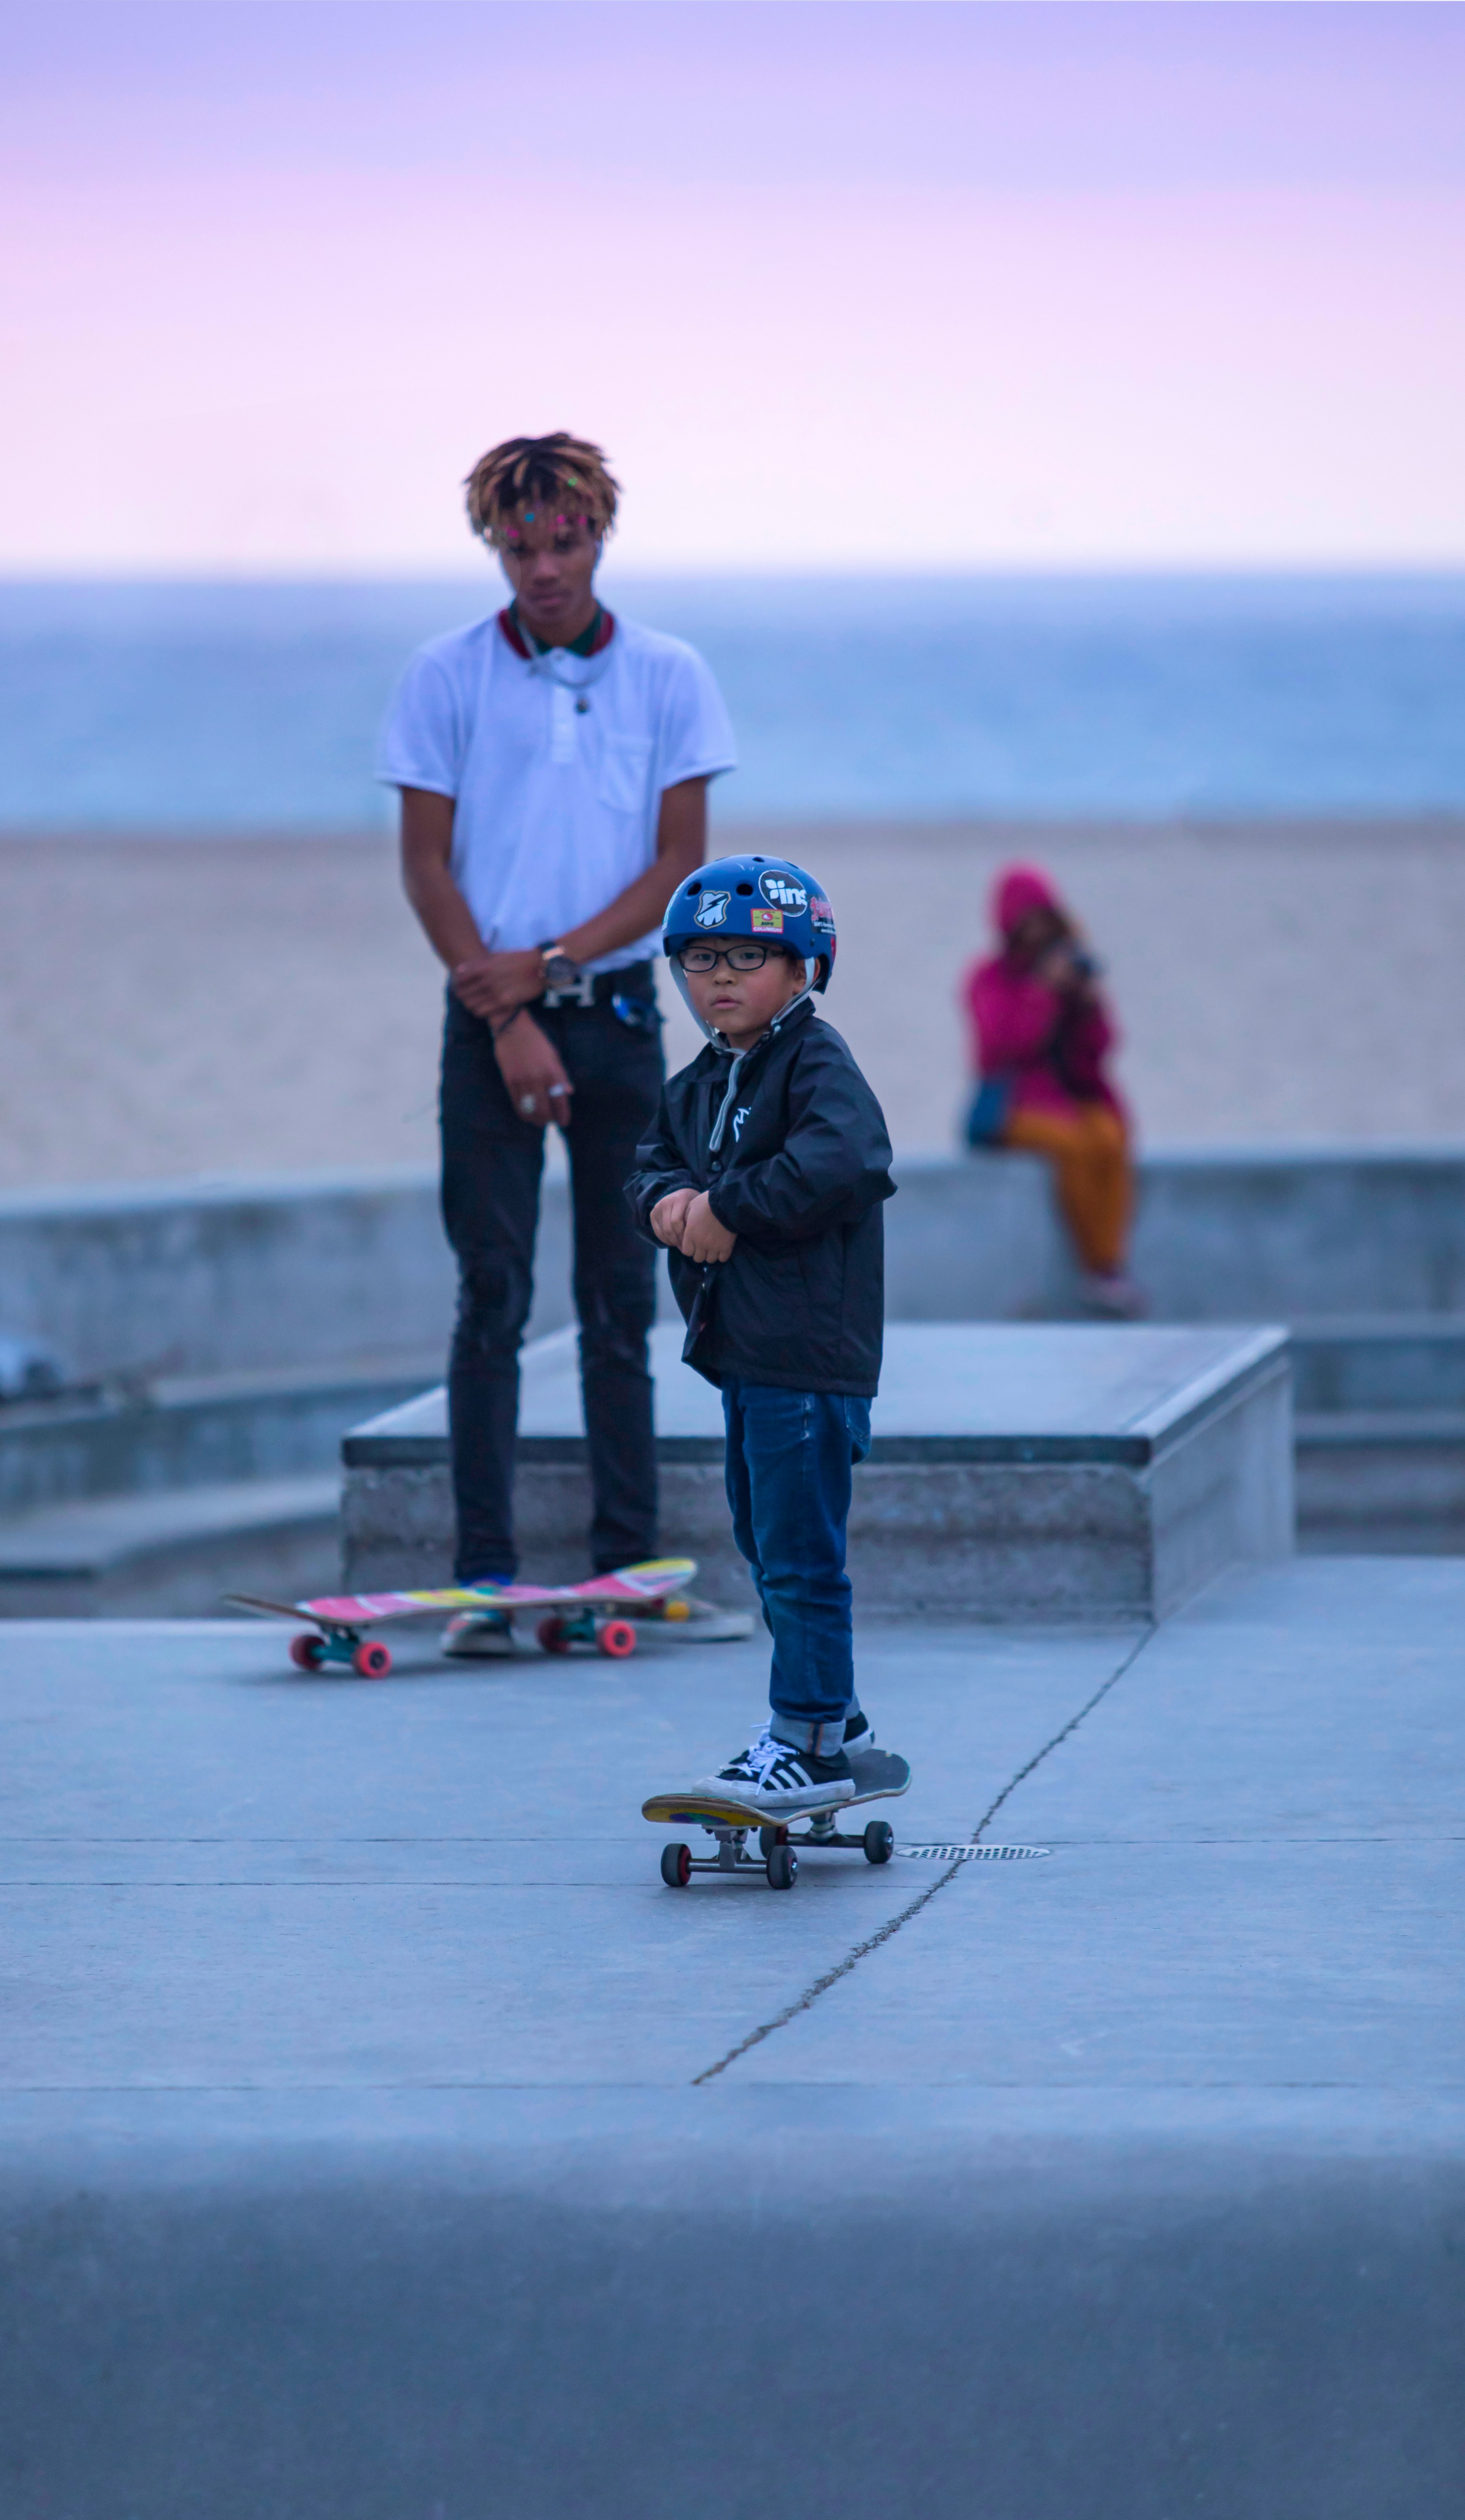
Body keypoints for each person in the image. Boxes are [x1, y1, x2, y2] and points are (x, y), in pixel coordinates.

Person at [380, 434, 736, 1651]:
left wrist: (560, 967)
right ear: (495, 544)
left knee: (618, 1297)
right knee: (491, 1292)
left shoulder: (670, 675)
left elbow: (679, 865)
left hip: (623, 1019)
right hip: (490, 1023)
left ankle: (626, 1564)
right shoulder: (445, 675)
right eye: (521, 545)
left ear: (600, 534)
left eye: (565, 540)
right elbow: (427, 865)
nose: (544, 566)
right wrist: (514, 1013)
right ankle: (486, 1575)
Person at [625, 855, 896, 1815]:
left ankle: (806, 1739)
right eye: (700, 958)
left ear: (802, 969)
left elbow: (849, 1157)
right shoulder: (699, 1079)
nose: (721, 976)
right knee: (762, 1538)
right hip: (747, 1358)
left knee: (798, 1554)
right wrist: (668, 1207)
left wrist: (729, 1208)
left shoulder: (814, 1063)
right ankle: (843, 1724)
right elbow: (650, 1164)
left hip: (808, 1360)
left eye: (750, 954)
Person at [963, 863, 1142, 1316]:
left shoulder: (1068, 970)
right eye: (1028, 921)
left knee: (1111, 1135)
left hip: (1072, 1099)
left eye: (1044, 919)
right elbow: (999, 1049)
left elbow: (1101, 1048)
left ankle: (1111, 1265)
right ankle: (1102, 1269)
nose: (1037, 931)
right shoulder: (988, 978)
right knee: (1076, 1145)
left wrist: (1085, 1001)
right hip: (1014, 1105)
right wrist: (1042, 993)